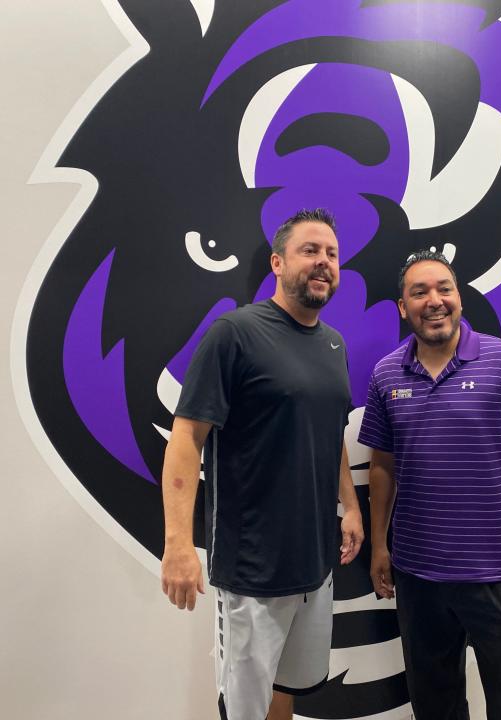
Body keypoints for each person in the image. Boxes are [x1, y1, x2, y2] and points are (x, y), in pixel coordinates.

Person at [160, 208, 365, 720]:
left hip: (314, 563)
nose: (323, 263)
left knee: (286, 689)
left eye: (332, 255)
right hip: (251, 567)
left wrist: (351, 506)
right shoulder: (234, 334)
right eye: (310, 251)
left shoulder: (334, 344)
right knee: (244, 708)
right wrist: (178, 544)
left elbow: (331, 432)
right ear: (277, 262)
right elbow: (185, 437)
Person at [358, 250, 501, 720]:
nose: (435, 300)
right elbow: (382, 465)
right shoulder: (387, 374)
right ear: (402, 308)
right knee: (435, 707)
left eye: (444, 288)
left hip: (498, 574)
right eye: (420, 292)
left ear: (459, 299)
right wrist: (380, 548)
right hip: (417, 576)